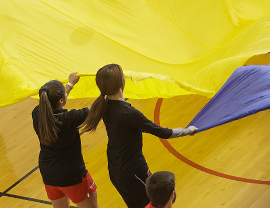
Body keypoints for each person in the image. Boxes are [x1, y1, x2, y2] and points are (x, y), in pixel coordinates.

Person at [81, 64, 196, 208]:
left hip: (115, 170)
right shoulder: (128, 113)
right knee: (157, 203)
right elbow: (163, 132)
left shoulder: (104, 105)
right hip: (133, 172)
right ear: (121, 83)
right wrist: (187, 130)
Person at [33, 73, 99, 208]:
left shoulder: (37, 113)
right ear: (61, 101)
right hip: (71, 176)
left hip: (48, 173)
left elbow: (55, 100)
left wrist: (70, 84)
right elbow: (96, 108)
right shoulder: (70, 119)